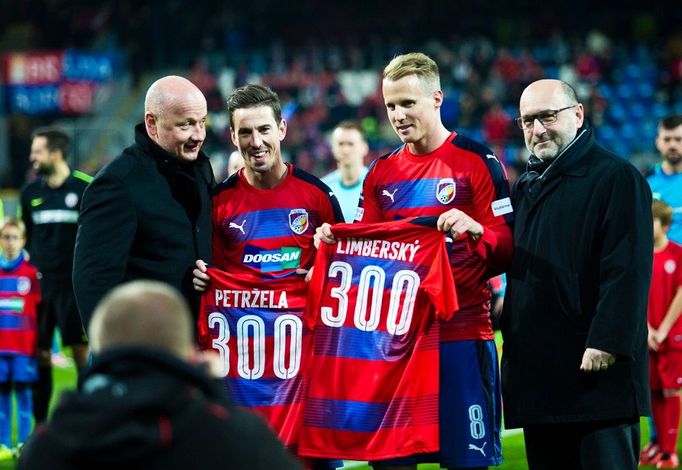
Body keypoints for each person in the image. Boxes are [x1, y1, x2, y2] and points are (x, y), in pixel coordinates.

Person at [315, 52, 513, 469]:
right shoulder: (381, 174)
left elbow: (508, 245)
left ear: (437, 98)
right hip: (394, 347)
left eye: (408, 103)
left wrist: (478, 234)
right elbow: (363, 252)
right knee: (391, 465)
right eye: (390, 105)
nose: (398, 115)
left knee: (467, 462)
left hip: (459, 336)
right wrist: (332, 243)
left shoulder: (478, 162)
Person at [500, 79, 652, 470]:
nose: (537, 130)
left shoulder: (616, 177)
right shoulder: (527, 186)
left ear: (578, 114)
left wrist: (608, 341)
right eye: (527, 121)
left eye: (548, 117)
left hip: (596, 378)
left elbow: (627, 269)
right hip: (541, 379)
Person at [192, 84, 343, 461]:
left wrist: (324, 278)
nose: (256, 142)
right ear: (232, 136)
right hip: (244, 377)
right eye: (245, 132)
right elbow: (211, 279)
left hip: (307, 376)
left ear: (282, 129)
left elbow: (344, 277)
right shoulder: (218, 204)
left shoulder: (318, 197)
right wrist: (202, 279)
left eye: (263, 130)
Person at [17, 280, 301, 470]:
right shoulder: (238, 437)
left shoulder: (49, 443)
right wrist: (216, 393)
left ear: (98, 349)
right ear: (191, 355)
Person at [73, 75, 214, 330]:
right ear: (152, 123)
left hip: (192, 339)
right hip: (142, 342)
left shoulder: (200, 170)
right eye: (186, 125)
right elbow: (94, 279)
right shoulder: (117, 183)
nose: (199, 135)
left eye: (202, 122)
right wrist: (116, 350)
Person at [19, 128, 91, 424]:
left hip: (75, 288)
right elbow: (26, 237)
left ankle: (89, 424)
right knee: (40, 357)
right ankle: (40, 428)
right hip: (40, 289)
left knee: (82, 356)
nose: (32, 157)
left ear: (55, 153)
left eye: (37, 151)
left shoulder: (86, 187)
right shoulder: (30, 193)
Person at [639, 200, 682, 469]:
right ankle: (656, 445)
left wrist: (664, 329)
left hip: (672, 334)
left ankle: (669, 450)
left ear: (664, 225)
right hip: (647, 335)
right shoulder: (639, 255)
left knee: (670, 390)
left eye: (651, 220)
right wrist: (646, 330)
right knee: (652, 390)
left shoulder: (677, 254)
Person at [0, 218, 40, 459]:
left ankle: (25, 444)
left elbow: (40, 310)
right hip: (0, 349)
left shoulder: (31, 274)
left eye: (15, 237)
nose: (10, 243)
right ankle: (4, 445)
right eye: (6, 237)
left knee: (24, 397)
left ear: (23, 241)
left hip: (24, 349)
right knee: (2, 398)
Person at [321, 120, 369, 222]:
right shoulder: (323, 188)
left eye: (350, 144)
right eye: (341, 144)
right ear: (332, 148)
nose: (345, 150)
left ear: (364, 148)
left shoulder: (376, 184)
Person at [648, 115, 682, 243]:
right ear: (658, 142)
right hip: (656, 261)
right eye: (667, 139)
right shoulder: (645, 182)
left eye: (678, 139)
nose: (673, 145)